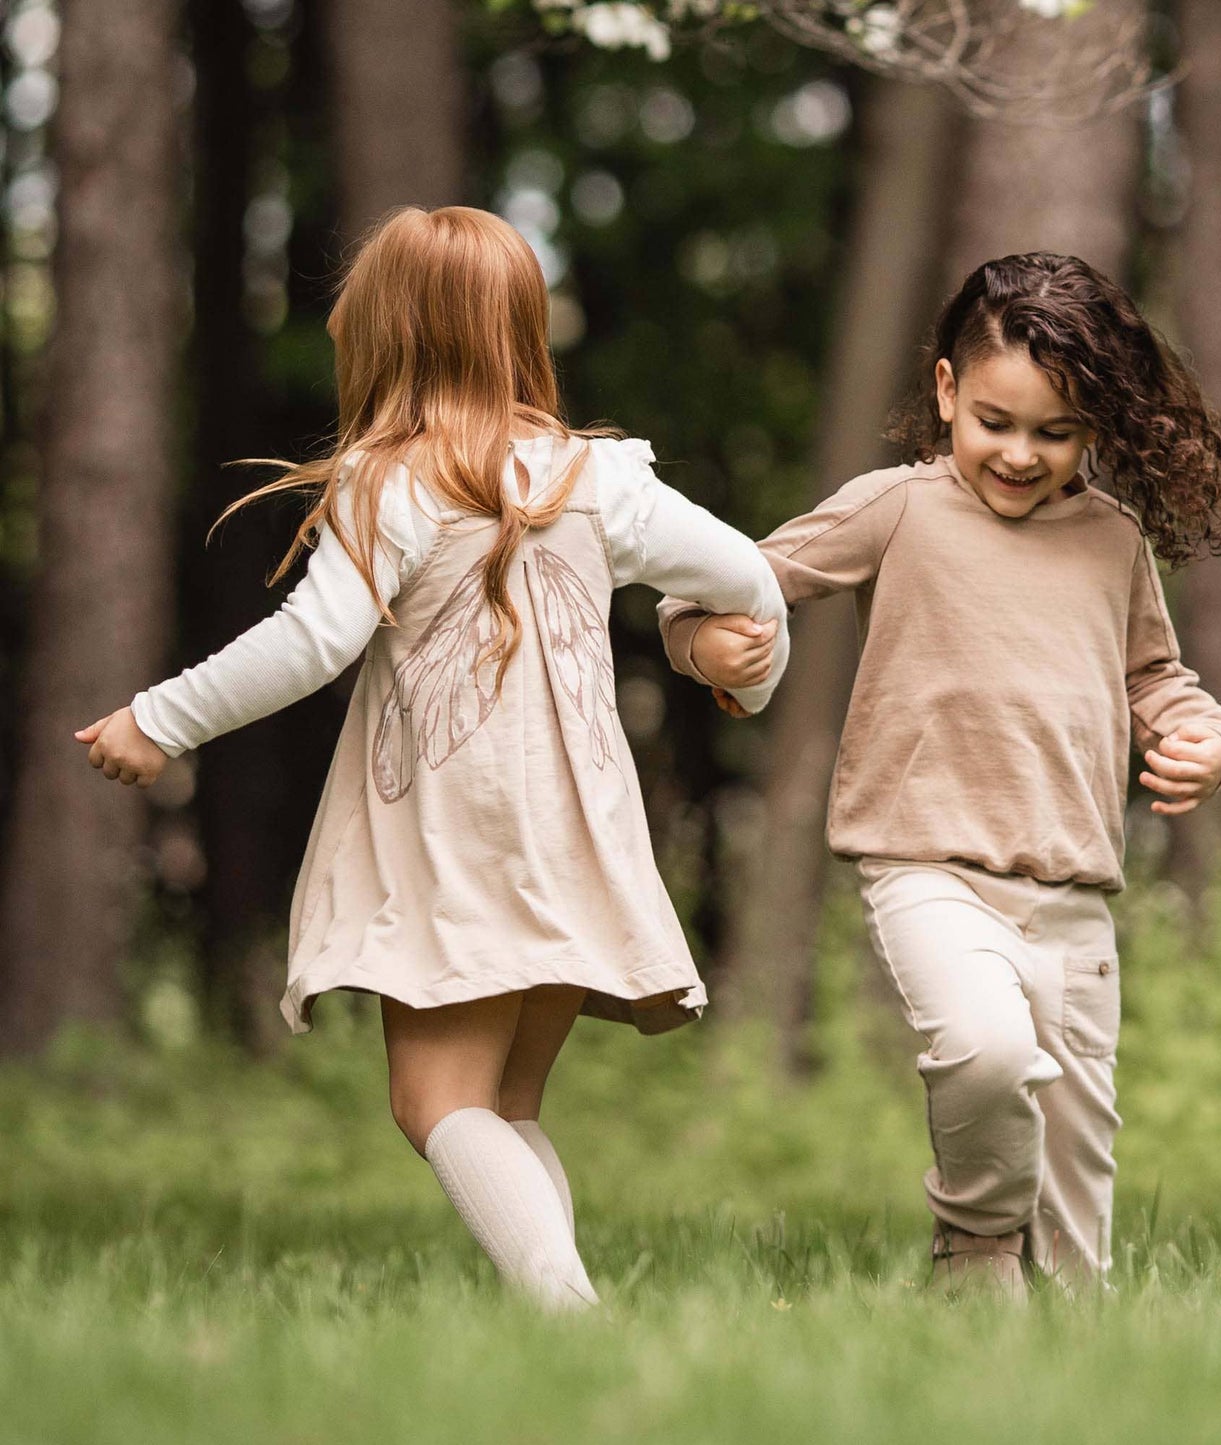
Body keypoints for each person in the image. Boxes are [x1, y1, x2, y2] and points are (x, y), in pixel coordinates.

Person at [76, 206, 788, 1312]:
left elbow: (310, 644)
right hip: (577, 833)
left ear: (388, 336)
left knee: (434, 1101)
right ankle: (562, 1330)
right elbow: (749, 579)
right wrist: (740, 671)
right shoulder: (596, 478)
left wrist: (161, 719)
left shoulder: (394, 480)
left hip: (460, 838)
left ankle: (573, 1320)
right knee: (504, 1107)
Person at [659, 252, 1221, 1294]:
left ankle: (1074, 1351)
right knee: (982, 1049)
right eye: (994, 421)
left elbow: (1155, 678)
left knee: (1075, 1173)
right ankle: (973, 1248)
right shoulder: (896, 508)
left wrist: (1210, 739)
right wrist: (703, 642)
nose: (1019, 453)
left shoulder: (1111, 539)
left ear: (1095, 427)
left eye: (1054, 432)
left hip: (1072, 895)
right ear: (944, 391)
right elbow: (725, 579)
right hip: (925, 868)